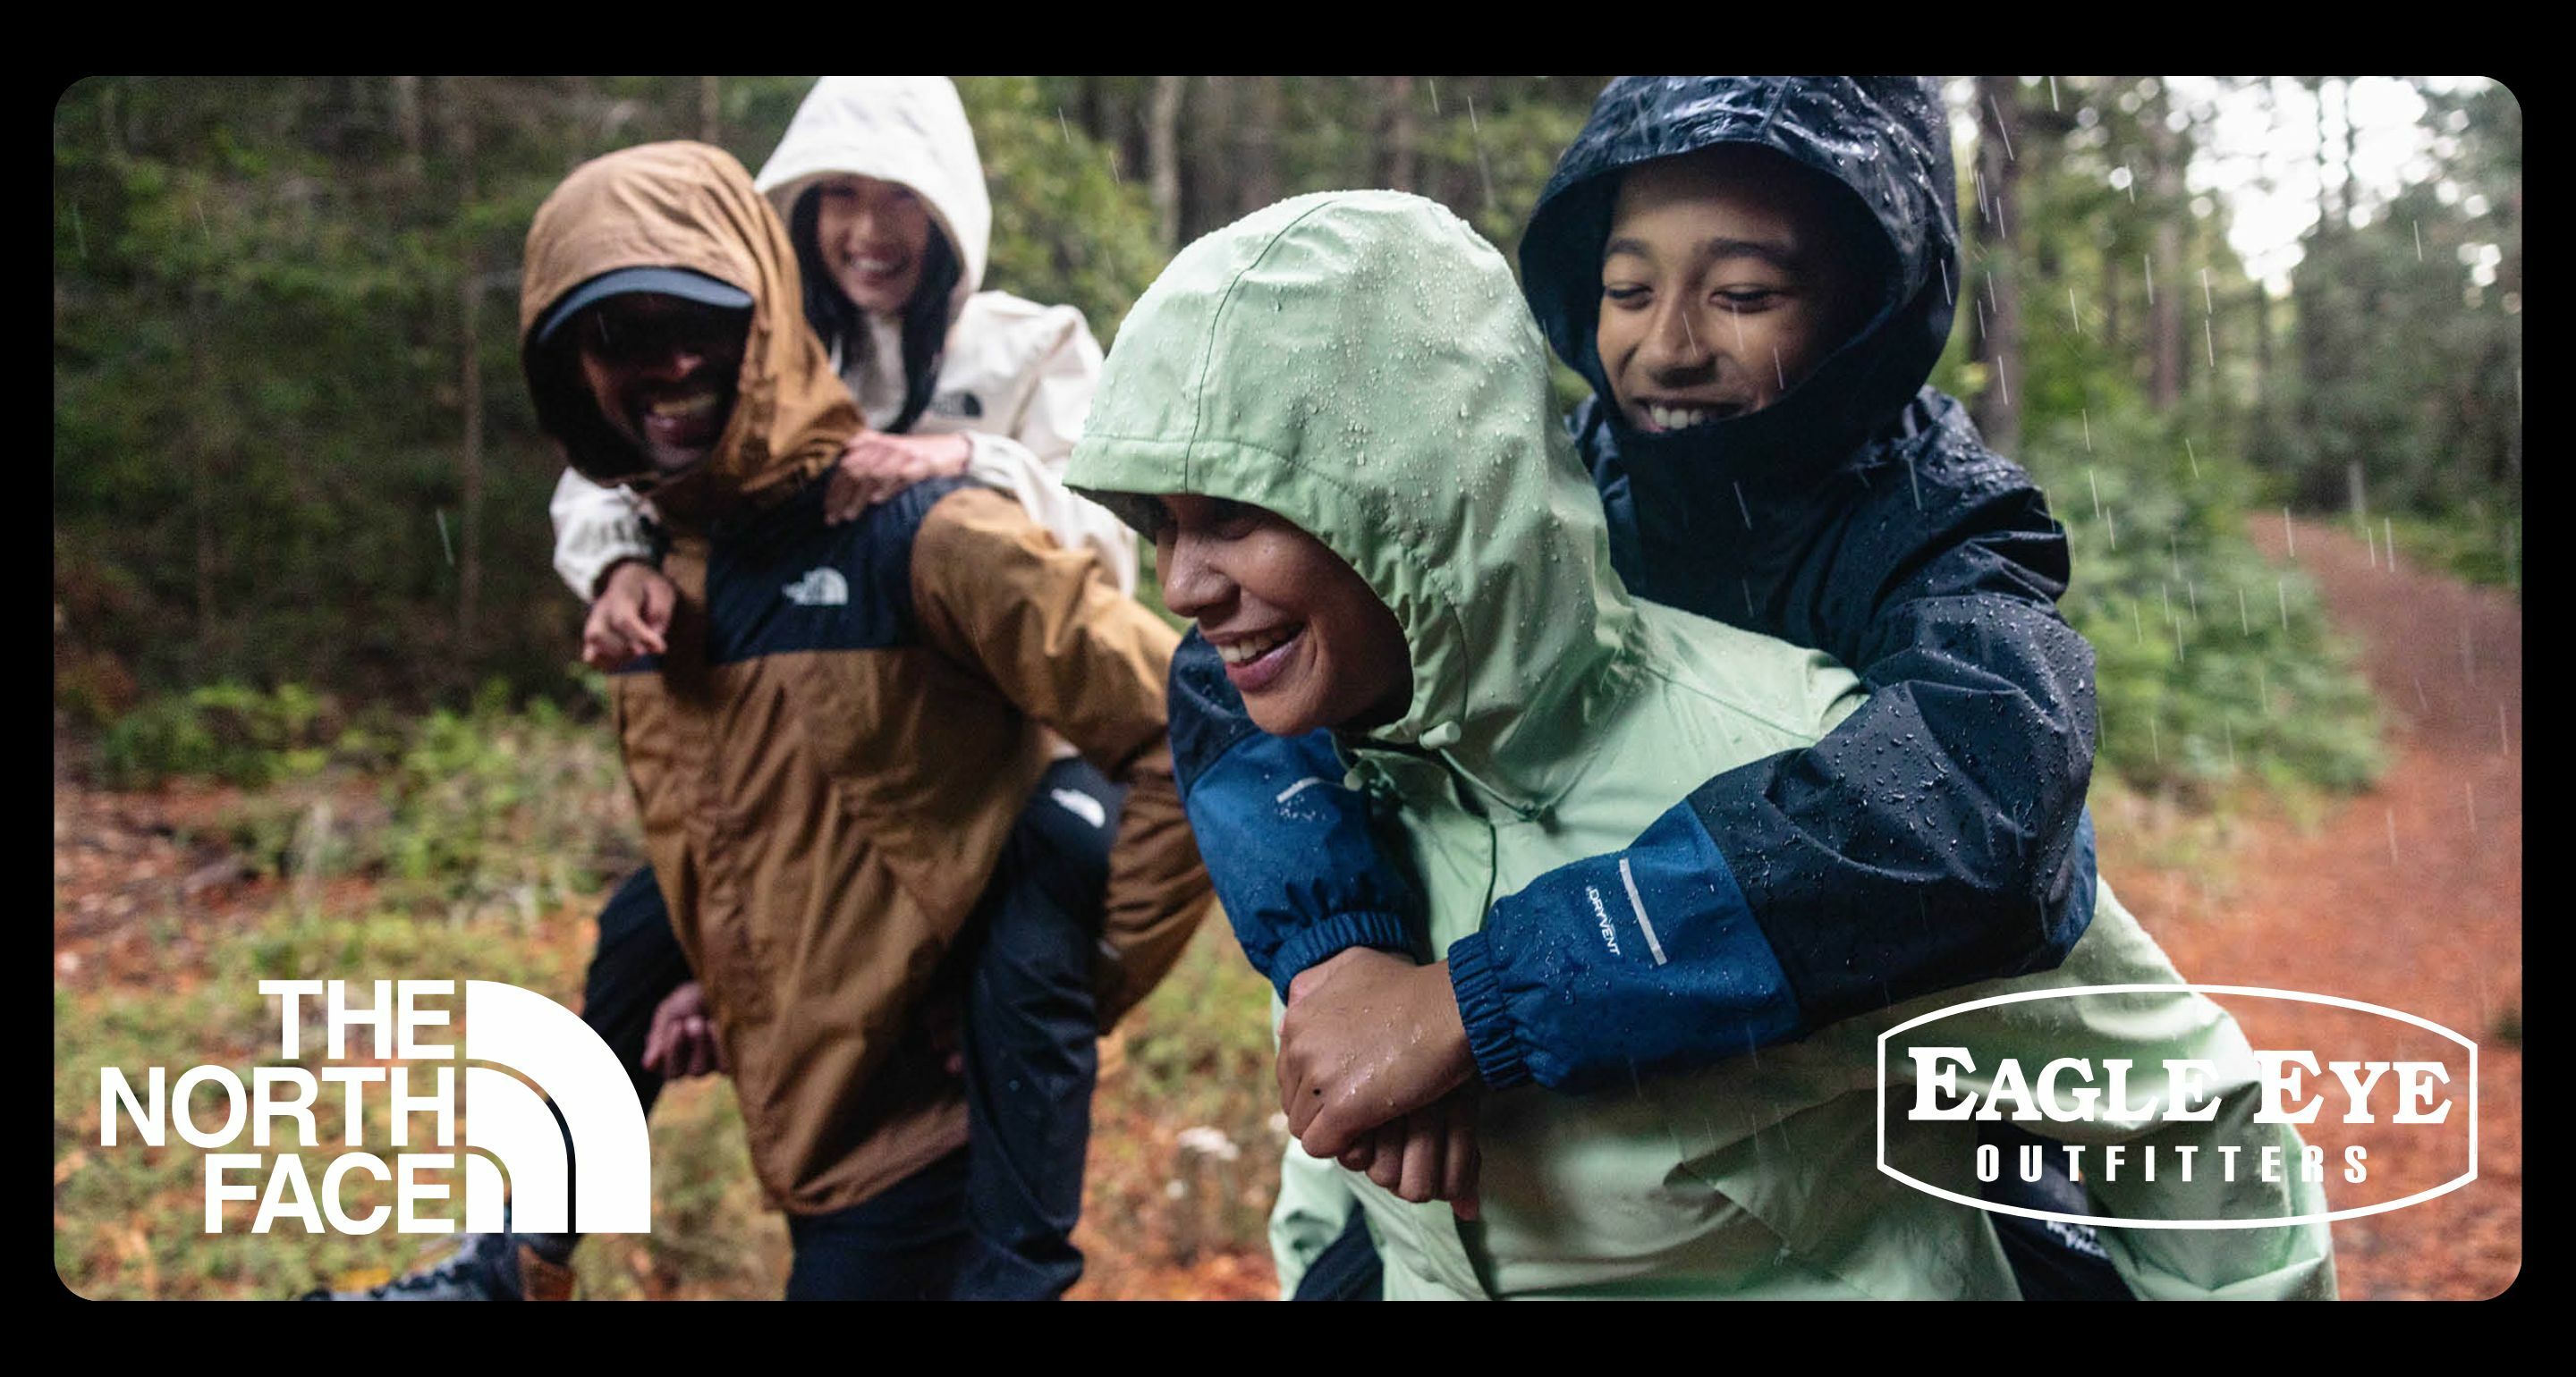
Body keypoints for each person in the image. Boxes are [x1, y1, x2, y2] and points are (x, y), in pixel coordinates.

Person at [1066, 187, 2334, 1299]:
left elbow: (2175, 1115)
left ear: (1411, 489)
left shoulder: (1811, 755)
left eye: (1235, 514)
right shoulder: (1324, 789)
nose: (1182, 582)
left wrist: (1477, 1007)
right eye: (1157, 523)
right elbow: (1345, 1128)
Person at [1157, 76, 2113, 1297]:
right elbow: (1231, 669)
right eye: (1625, 289)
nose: (1666, 345)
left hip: (1860, 1116)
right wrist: (1339, 951)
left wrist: (1479, 1001)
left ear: (1868, 306)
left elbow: (1986, 807)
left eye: (1743, 295)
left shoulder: (1936, 531)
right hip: (1496, 1164)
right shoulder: (1544, 489)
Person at [318, 80, 1149, 1303]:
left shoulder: (1026, 348)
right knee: (640, 937)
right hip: (807, 757)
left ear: (951, 214)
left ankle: (1020, 1273)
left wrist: (967, 464)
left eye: (898, 204)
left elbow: (1116, 535)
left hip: (986, 749)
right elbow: (621, 470)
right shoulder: (749, 334)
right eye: (838, 201)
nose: (868, 231)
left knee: (1018, 988)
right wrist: (616, 569)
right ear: (793, 214)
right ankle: (521, 1247)